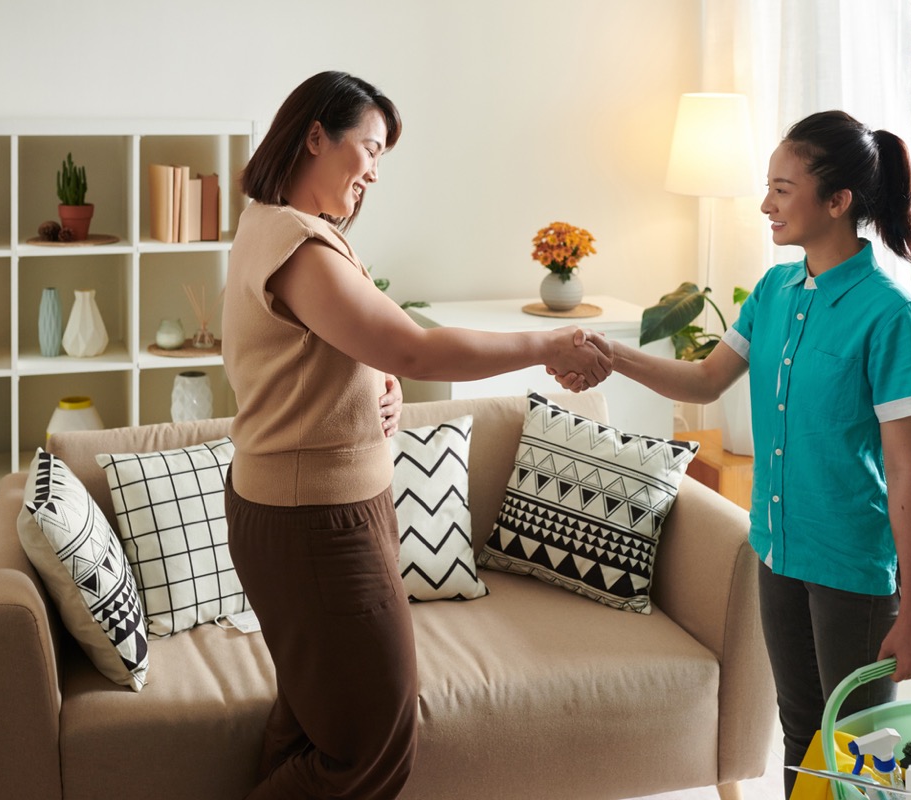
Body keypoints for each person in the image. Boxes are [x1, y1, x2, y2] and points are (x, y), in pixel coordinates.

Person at [221, 70, 611, 800]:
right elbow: (411, 346)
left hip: (316, 508)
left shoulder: (278, 229)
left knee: (311, 723)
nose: (373, 171)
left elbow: (331, 353)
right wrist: (542, 349)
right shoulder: (299, 245)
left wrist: (380, 384)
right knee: (373, 744)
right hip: (315, 523)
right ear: (314, 137)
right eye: (368, 148)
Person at [556, 110, 911, 797]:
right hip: (778, 550)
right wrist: (612, 357)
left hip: (852, 565)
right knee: (799, 733)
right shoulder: (774, 292)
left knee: (857, 755)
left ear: (838, 201)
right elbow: (705, 381)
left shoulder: (890, 317)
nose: (765, 203)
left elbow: (906, 473)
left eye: (782, 188)